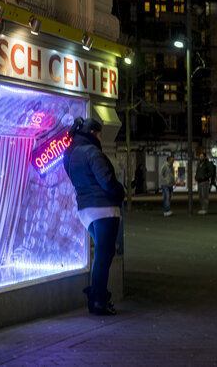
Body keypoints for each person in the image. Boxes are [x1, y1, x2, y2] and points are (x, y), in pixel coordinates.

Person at [63, 117, 125, 316]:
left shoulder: (70, 154)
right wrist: (120, 192)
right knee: (104, 256)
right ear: (92, 133)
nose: (100, 138)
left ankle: (96, 297)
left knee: (101, 253)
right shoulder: (92, 152)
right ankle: (99, 299)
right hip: (104, 208)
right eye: (99, 134)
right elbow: (106, 181)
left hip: (85, 210)